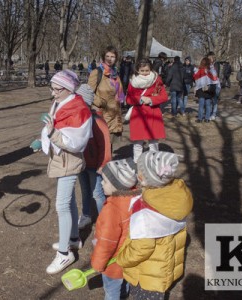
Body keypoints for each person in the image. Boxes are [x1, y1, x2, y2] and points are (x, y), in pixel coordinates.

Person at [117, 151, 193, 300]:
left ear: (146, 178)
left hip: (146, 274)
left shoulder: (146, 212)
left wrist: (122, 258)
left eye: (140, 171)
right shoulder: (173, 197)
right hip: (162, 269)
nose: (137, 175)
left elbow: (142, 247)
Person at [39, 70, 92, 274]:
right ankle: (73, 240)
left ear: (68, 89)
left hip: (69, 160)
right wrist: (42, 139)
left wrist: (52, 134)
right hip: (60, 159)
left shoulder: (79, 110)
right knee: (68, 202)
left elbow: (75, 143)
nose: (52, 93)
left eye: (56, 89)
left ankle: (64, 254)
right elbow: (52, 124)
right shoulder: (60, 102)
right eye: (51, 88)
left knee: (61, 205)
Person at [91, 157, 140, 300]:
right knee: (124, 279)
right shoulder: (136, 198)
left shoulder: (112, 210)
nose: (101, 183)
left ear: (118, 185)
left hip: (112, 263)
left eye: (105, 181)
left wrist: (98, 263)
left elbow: (107, 241)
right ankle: (124, 294)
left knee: (111, 290)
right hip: (129, 256)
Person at [75, 84, 112, 230]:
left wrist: (103, 164)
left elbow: (106, 145)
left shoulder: (97, 121)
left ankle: (104, 222)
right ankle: (86, 215)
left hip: (95, 165)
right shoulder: (77, 119)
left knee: (97, 193)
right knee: (85, 191)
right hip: (80, 164)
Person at [126, 58, 168, 163]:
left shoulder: (157, 80)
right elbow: (128, 99)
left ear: (151, 69)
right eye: (142, 71)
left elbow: (164, 96)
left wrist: (151, 100)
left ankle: (154, 163)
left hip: (153, 113)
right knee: (137, 142)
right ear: (137, 70)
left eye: (147, 71)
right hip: (138, 114)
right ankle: (137, 163)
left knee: (153, 142)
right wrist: (139, 99)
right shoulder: (132, 81)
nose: (145, 73)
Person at [88, 46, 124, 149]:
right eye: (107, 56)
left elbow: (119, 93)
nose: (109, 59)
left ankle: (107, 163)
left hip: (114, 115)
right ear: (103, 57)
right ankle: (101, 165)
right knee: (101, 144)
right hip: (101, 114)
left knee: (109, 145)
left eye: (112, 56)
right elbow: (88, 92)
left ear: (116, 58)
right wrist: (101, 103)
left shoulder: (115, 74)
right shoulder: (97, 72)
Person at [193, 57, 219, 123]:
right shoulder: (212, 69)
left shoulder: (199, 69)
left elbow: (195, 77)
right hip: (209, 89)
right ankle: (207, 118)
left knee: (201, 104)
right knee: (208, 104)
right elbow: (215, 79)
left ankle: (200, 118)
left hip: (201, 89)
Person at [206, 51, 221, 121]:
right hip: (210, 85)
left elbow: (216, 75)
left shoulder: (216, 64)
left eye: (210, 58)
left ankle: (214, 114)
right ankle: (208, 113)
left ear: (213, 58)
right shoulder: (208, 65)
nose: (209, 59)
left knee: (214, 100)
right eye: (208, 58)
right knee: (209, 100)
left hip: (216, 85)